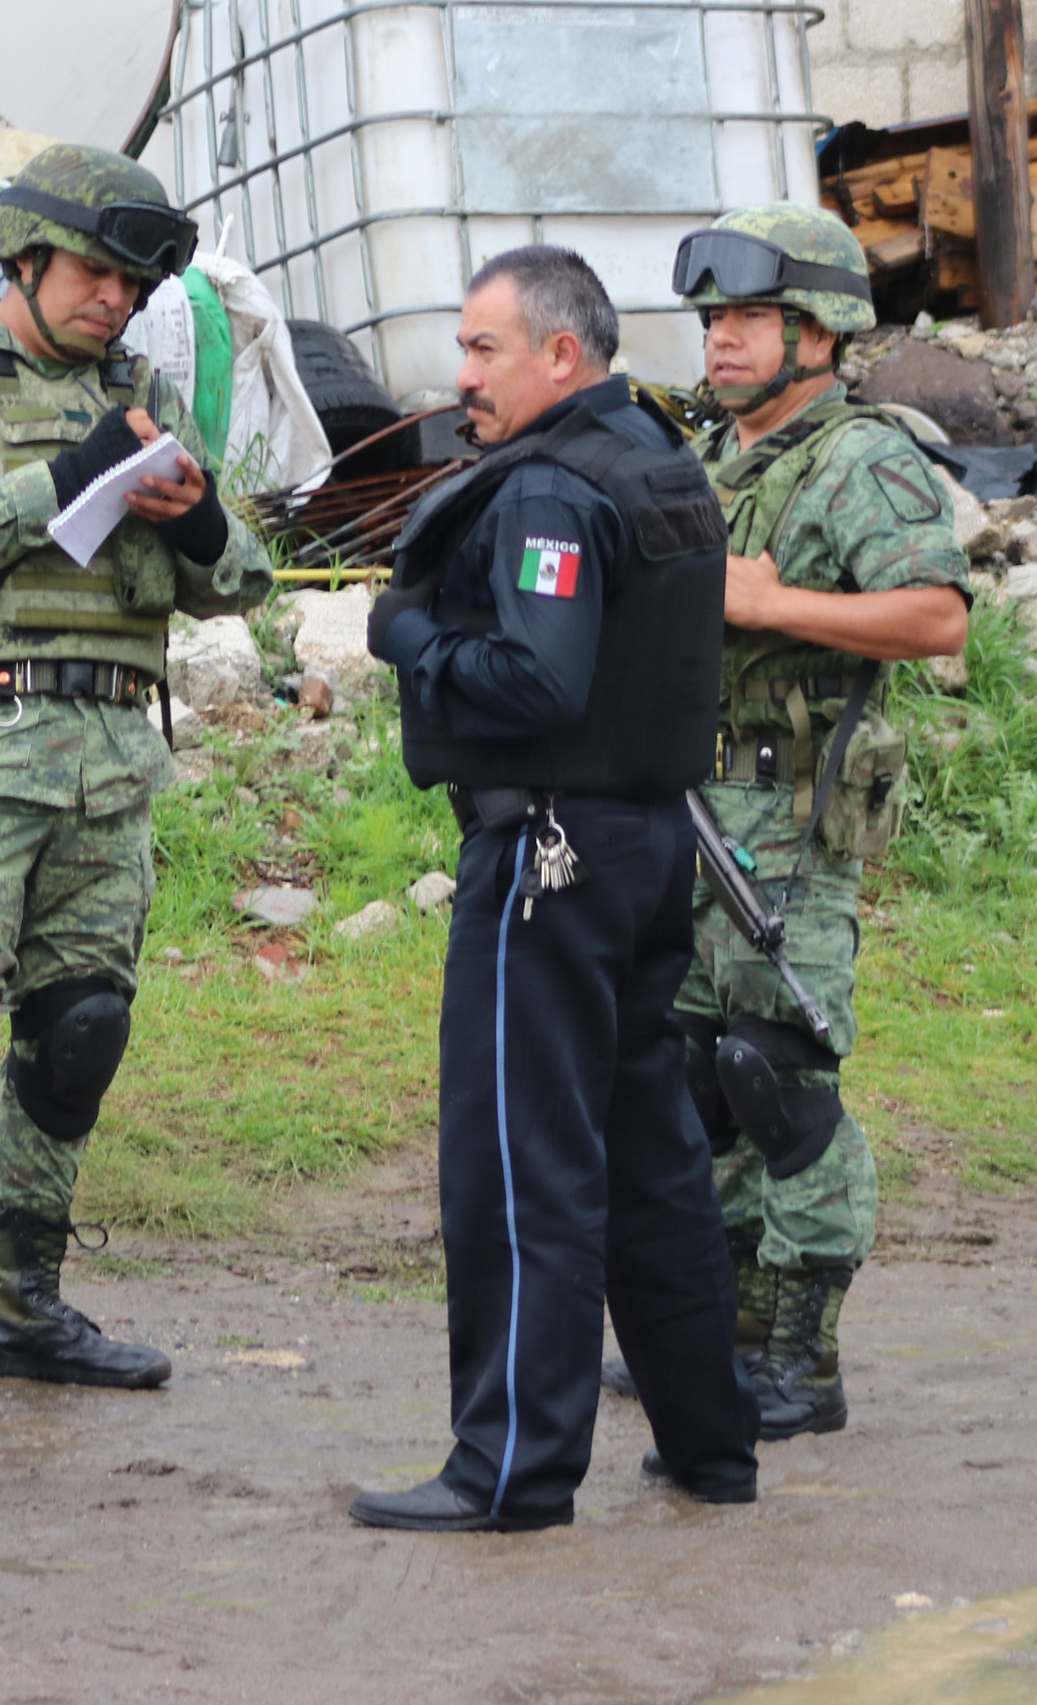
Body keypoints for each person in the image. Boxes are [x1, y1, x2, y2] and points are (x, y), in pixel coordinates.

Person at [0, 142, 274, 1429]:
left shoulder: (143, 393)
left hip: (110, 758)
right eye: (95, 273)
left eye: (134, 286)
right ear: (24, 258)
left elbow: (241, 571)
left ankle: (24, 1304)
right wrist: (59, 482)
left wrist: (195, 525)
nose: (116, 302)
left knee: (79, 1031)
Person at [355, 245, 758, 1532]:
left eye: (483, 350)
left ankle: (510, 1470)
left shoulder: (550, 492)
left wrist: (406, 629)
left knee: (522, 1164)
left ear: (562, 357)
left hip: (550, 853)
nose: (460, 374)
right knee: (651, 1154)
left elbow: (538, 679)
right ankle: (711, 1442)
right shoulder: (658, 461)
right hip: (643, 852)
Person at [637, 204, 970, 1441]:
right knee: (696, 1082)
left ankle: (803, 1358)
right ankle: (724, 1334)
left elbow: (939, 617)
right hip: (694, 805)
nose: (719, 340)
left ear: (819, 331)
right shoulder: (715, 457)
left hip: (791, 813)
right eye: (713, 318)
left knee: (775, 1078)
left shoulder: (858, 457)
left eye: (748, 318)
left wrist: (781, 599)